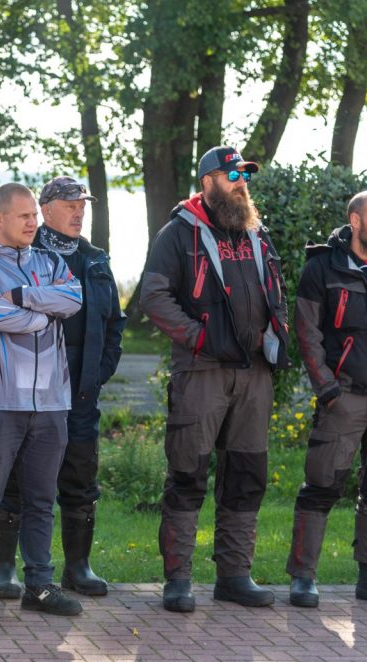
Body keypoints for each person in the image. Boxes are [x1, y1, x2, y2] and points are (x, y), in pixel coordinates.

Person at [140, 146, 290, 613]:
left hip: (255, 373)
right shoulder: (177, 233)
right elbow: (153, 296)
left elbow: (277, 291)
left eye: (244, 176)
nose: (241, 183)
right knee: (187, 474)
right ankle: (178, 581)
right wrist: (200, 338)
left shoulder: (256, 232)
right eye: (232, 176)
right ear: (207, 182)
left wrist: (278, 330)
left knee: (246, 475)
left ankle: (234, 576)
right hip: (202, 372)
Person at [0, 176, 125, 599]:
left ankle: (78, 567)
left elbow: (114, 324)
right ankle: (2, 568)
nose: (78, 212)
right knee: (16, 477)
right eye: (69, 205)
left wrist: (98, 374)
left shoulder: (95, 259)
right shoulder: (27, 256)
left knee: (80, 478)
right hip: (30, 390)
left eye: (82, 205)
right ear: (45, 210)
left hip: (80, 393)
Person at [0, 182, 84, 621]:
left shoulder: (52, 262)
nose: (33, 222)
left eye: (34, 214)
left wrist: (22, 297)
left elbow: (74, 299)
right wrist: (42, 316)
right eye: (24, 216)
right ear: (0, 218)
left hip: (51, 404)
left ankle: (40, 587)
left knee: (41, 500)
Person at [287, 191, 367, 608]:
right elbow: (307, 332)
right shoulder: (322, 267)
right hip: (342, 398)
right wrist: (327, 388)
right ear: (356, 221)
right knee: (321, 486)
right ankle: (303, 577)